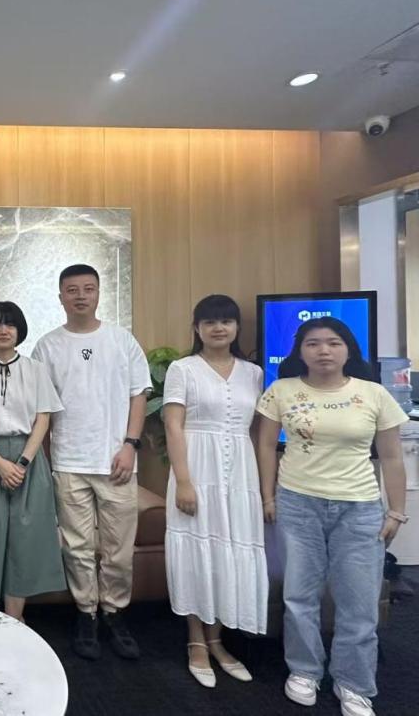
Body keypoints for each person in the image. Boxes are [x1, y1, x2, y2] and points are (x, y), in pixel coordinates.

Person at [257, 318, 408, 716]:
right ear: (300, 351)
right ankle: (304, 670)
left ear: (348, 349)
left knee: (359, 602)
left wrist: (396, 511)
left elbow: (392, 457)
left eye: (333, 343)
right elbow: (266, 446)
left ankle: (354, 683)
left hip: (359, 508)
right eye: (313, 343)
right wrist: (268, 496)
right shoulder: (281, 390)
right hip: (297, 503)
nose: (323, 350)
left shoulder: (373, 394)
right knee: (299, 596)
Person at [32, 264, 150, 661]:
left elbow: (138, 395)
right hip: (69, 461)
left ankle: (115, 611)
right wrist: (46, 458)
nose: (80, 296)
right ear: (60, 297)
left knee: (118, 549)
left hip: (117, 460)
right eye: (72, 290)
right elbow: (42, 409)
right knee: (77, 547)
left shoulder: (121, 340)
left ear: (99, 293)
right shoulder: (48, 346)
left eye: (88, 289)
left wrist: (130, 444)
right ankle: (87, 613)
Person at [162, 295, 266, 688]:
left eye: (226, 321)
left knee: (229, 552)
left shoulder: (253, 373)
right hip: (195, 468)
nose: (218, 328)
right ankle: (196, 640)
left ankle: (217, 640)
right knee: (196, 551)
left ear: (237, 327)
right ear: (197, 328)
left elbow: (257, 431)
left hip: (240, 474)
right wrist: (184, 481)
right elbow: (173, 426)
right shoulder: (183, 369)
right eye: (209, 322)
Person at [0, 301, 66, 621]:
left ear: (19, 330)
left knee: (25, 538)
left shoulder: (35, 369)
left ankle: (15, 617)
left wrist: (22, 463)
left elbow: (43, 418)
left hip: (30, 458)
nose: (3, 330)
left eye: (9, 324)